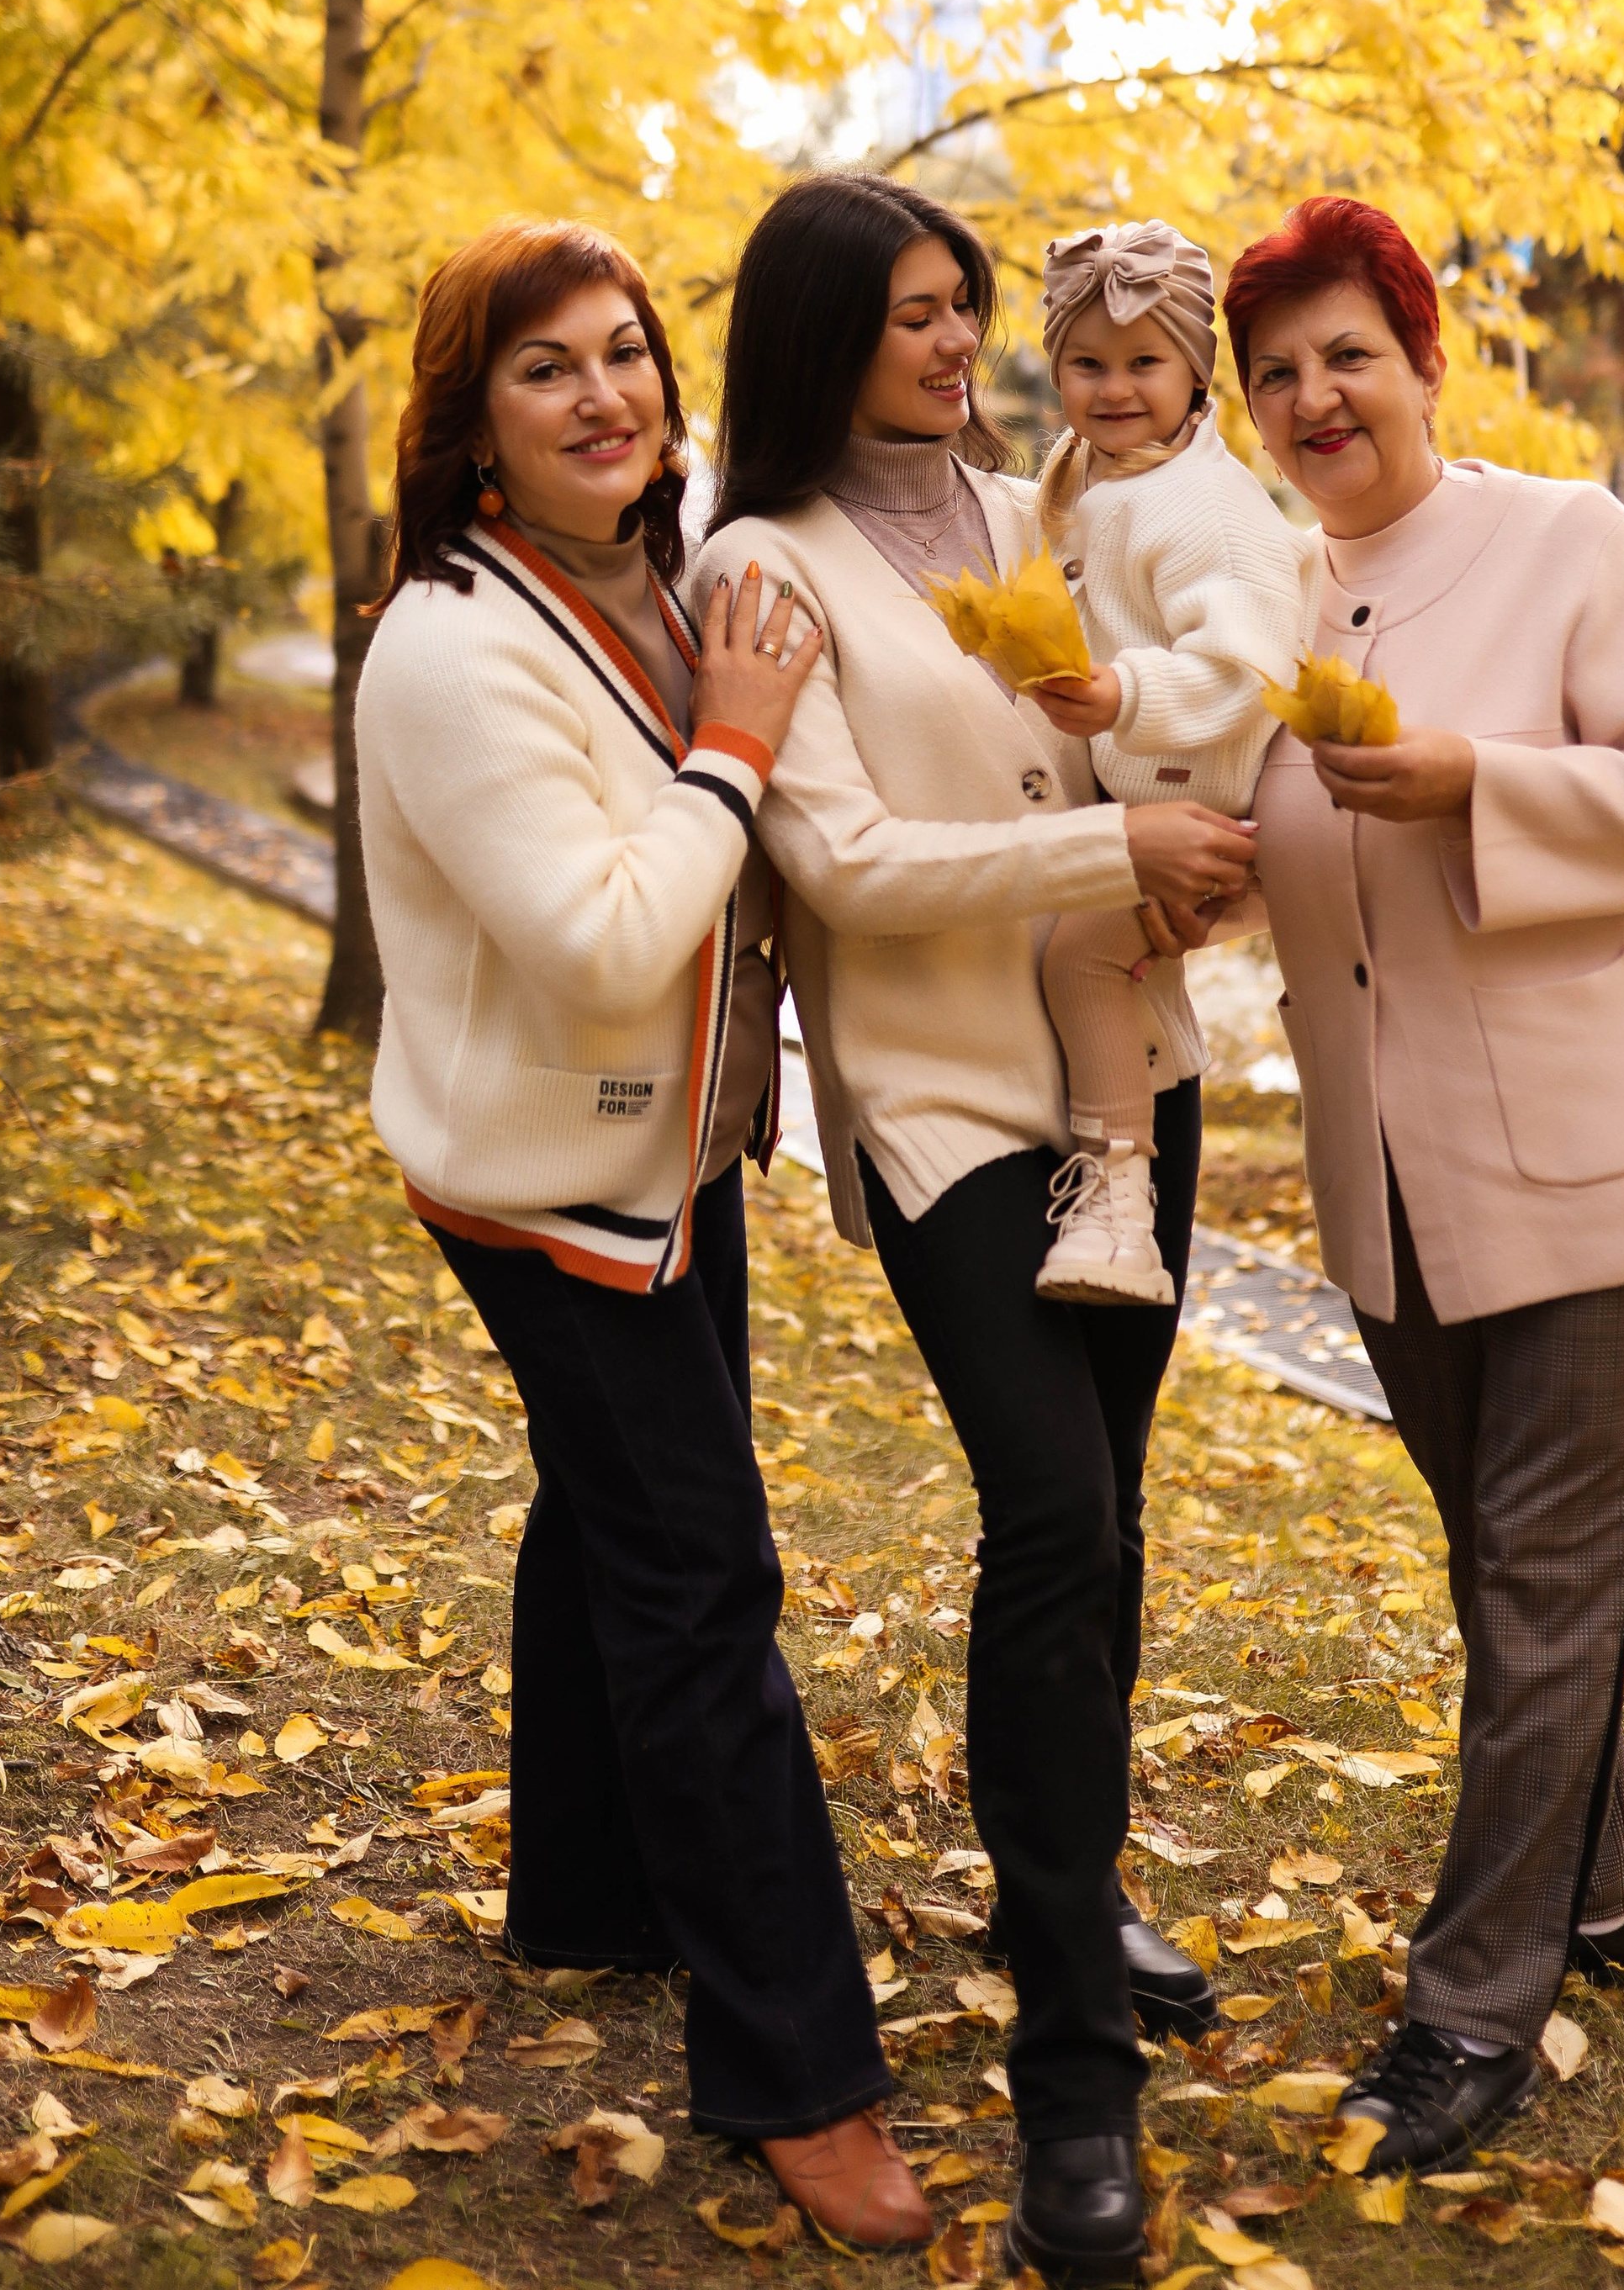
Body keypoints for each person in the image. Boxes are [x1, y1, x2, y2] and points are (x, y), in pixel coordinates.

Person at [702, 172, 1258, 2285]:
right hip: (940, 1106)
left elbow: (1197, 652)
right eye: (918, 317)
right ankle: (1073, 2078)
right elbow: (839, 860)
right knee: (1048, 1516)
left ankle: (1071, 1864)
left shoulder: (1055, 504)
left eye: (966, 312)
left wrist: (1187, 845)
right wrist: (1116, 831)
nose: (960, 345)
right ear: (825, 335)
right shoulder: (762, 566)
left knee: (1104, 1507)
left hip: (1130, 1072)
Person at [356, 218, 930, 2248]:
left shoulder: (655, 575)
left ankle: (586, 1899)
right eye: (546, 370)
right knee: (701, 1582)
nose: (607, 394)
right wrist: (736, 744)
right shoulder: (451, 643)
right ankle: (798, 2071)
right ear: (473, 431)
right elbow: (605, 934)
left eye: (626, 353)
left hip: (669, 1154)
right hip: (548, 1180)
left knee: (609, 1517)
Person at [1224, 194, 1624, 2180]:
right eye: (1272, 371)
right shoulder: (1270, 596)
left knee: (1542, 1594)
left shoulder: (1566, 542)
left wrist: (1478, 781)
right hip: (1388, 1195)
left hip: (1597, 1172)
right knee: (1502, 1582)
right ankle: (1604, 1890)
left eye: (1343, 353)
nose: (1310, 397)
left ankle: (1469, 2018)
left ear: (1421, 358)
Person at [1020, 219, 1309, 1305]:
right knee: (1101, 962)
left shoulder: (1210, 513)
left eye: (1145, 363)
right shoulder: (1094, 474)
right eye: (1086, 364)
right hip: (1147, 792)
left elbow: (1249, 670)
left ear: (1197, 373)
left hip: (1214, 810)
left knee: (1083, 959)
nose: (1113, 388)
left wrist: (1120, 696)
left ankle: (1118, 1208)